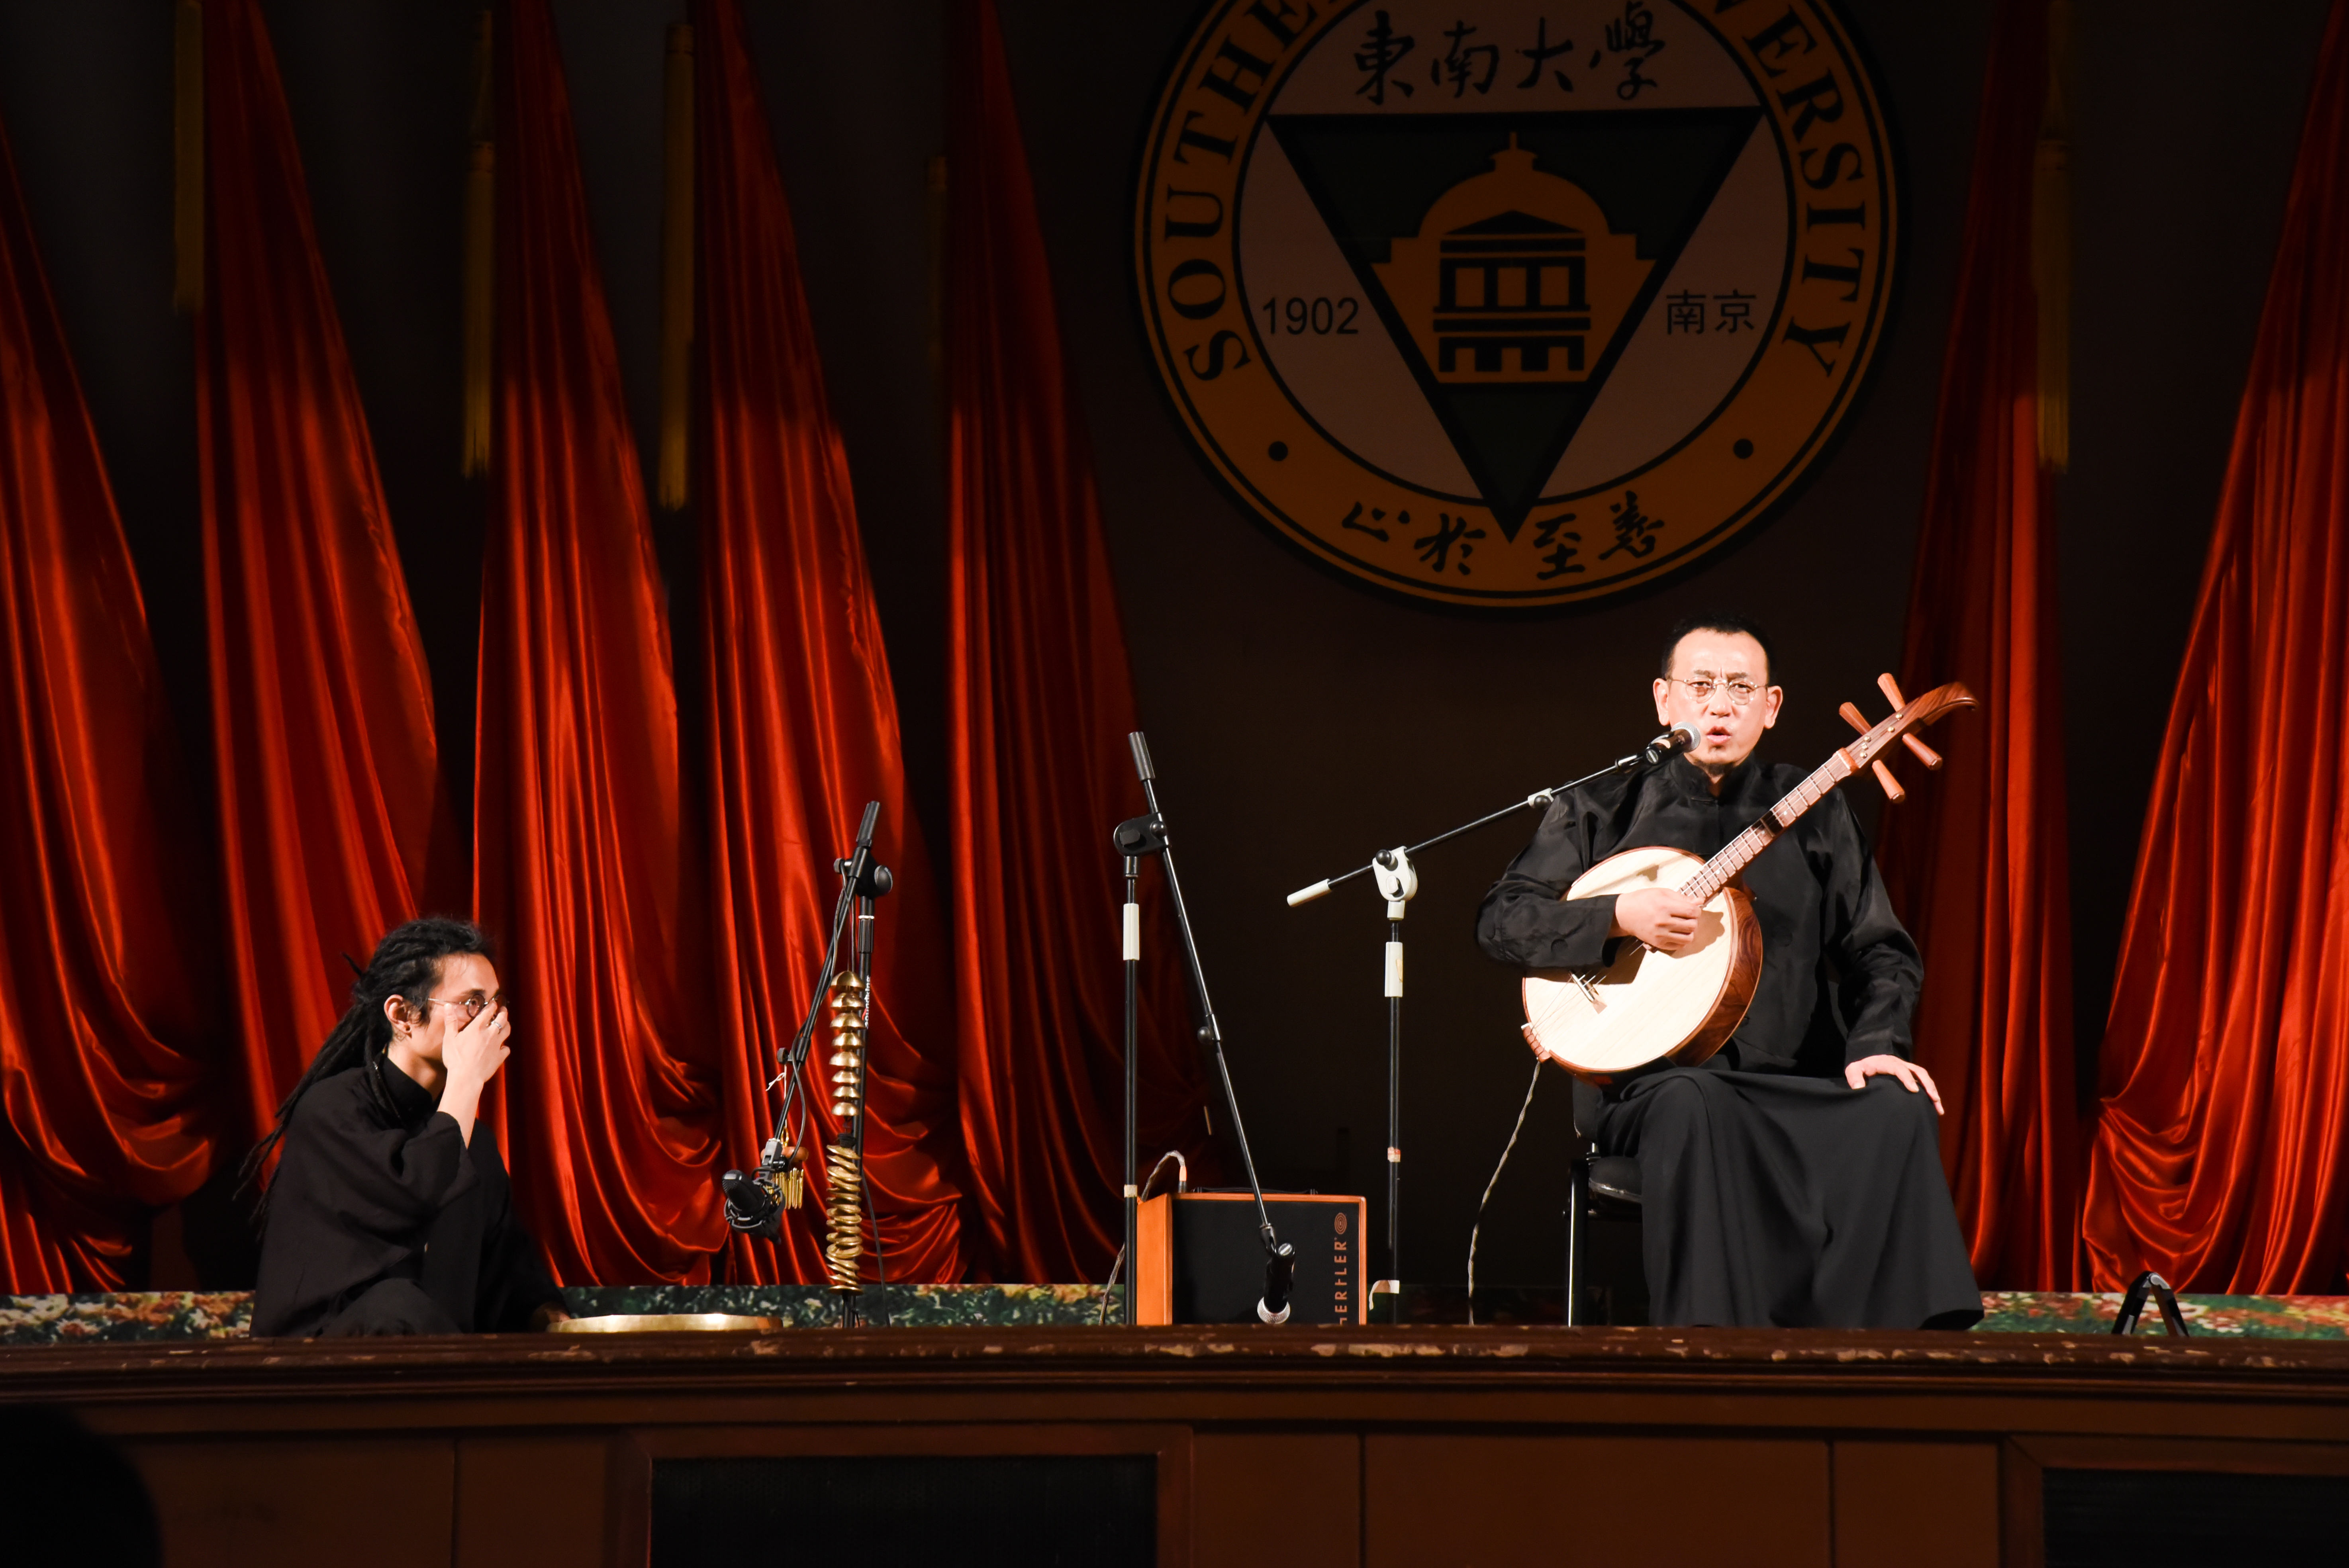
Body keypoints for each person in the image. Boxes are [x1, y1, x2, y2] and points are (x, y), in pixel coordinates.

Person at [1476, 615, 1981, 1329]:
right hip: (1653, 1088)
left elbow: (1881, 950)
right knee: (1694, 1101)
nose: (1719, 706)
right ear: (1664, 699)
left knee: (1896, 1108)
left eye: (1741, 688)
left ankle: (1885, 1359)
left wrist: (1876, 1044)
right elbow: (1502, 921)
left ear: (1771, 707)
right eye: (1701, 685)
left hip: (1795, 1084)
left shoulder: (1813, 807)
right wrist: (1617, 915)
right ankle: (1714, 1356)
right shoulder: (1599, 808)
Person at [246, 918, 570, 1337]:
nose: (491, 1023)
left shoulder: (476, 1141)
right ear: (402, 1015)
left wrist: (554, 1320)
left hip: (437, 1364)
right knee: (397, 1305)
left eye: (496, 1005)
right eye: (473, 1003)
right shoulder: (333, 1112)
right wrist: (466, 1080)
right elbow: (416, 1195)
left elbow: (511, 1274)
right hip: (331, 1359)